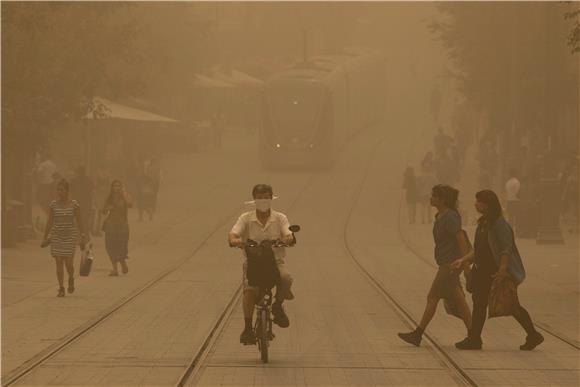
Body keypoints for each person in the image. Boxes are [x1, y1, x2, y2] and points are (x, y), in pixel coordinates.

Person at [452, 190, 544, 350]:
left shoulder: (500, 225)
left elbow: (506, 250)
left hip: (494, 272)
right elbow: (479, 249)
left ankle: (533, 334)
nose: (476, 204)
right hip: (481, 271)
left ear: (488, 204)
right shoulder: (483, 223)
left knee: (511, 305)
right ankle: (474, 339)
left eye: (479, 201)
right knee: (479, 303)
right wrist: (463, 260)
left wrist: (502, 271)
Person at [398, 184, 472, 346]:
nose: (430, 198)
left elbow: (461, 239)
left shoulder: (450, 217)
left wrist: (465, 266)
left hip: (450, 265)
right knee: (459, 299)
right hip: (447, 263)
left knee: (432, 297)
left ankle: (418, 334)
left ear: (442, 199)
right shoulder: (441, 215)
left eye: (434, 196)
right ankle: (473, 334)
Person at [228, 184, 295, 344]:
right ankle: (247, 328)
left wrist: (287, 238)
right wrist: (235, 240)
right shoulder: (245, 218)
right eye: (259, 197)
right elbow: (234, 232)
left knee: (285, 278)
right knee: (249, 291)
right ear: (254, 199)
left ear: (271, 198)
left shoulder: (280, 218)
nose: (263, 200)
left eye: (266, 197)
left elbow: (288, 233)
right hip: (253, 263)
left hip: (275, 262)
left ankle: (278, 306)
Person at [42, 179, 85, 297]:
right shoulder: (53, 205)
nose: (60, 192)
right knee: (58, 261)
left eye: (62, 190)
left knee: (69, 264)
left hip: (70, 236)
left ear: (67, 191)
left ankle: (71, 277)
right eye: (58, 190)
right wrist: (45, 237)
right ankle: (61, 287)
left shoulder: (74, 204)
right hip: (57, 236)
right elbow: (50, 221)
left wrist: (83, 236)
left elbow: (80, 221)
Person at [102, 180, 132, 276]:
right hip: (111, 225)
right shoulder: (109, 198)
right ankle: (115, 269)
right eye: (115, 186)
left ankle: (123, 263)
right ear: (112, 188)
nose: (117, 188)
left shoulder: (124, 197)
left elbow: (130, 204)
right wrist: (108, 208)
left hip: (122, 225)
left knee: (122, 246)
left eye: (119, 186)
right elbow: (103, 210)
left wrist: (124, 193)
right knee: (110, 247)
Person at [70, 166, 94, 238]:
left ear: (77, 172)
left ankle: (78, 237)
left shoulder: (74, 181)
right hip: (87, 203)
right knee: (85, 220)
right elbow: (92, 190)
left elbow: (71, 192)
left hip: (77, 203)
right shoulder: (89, 180)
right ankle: (86, 236)